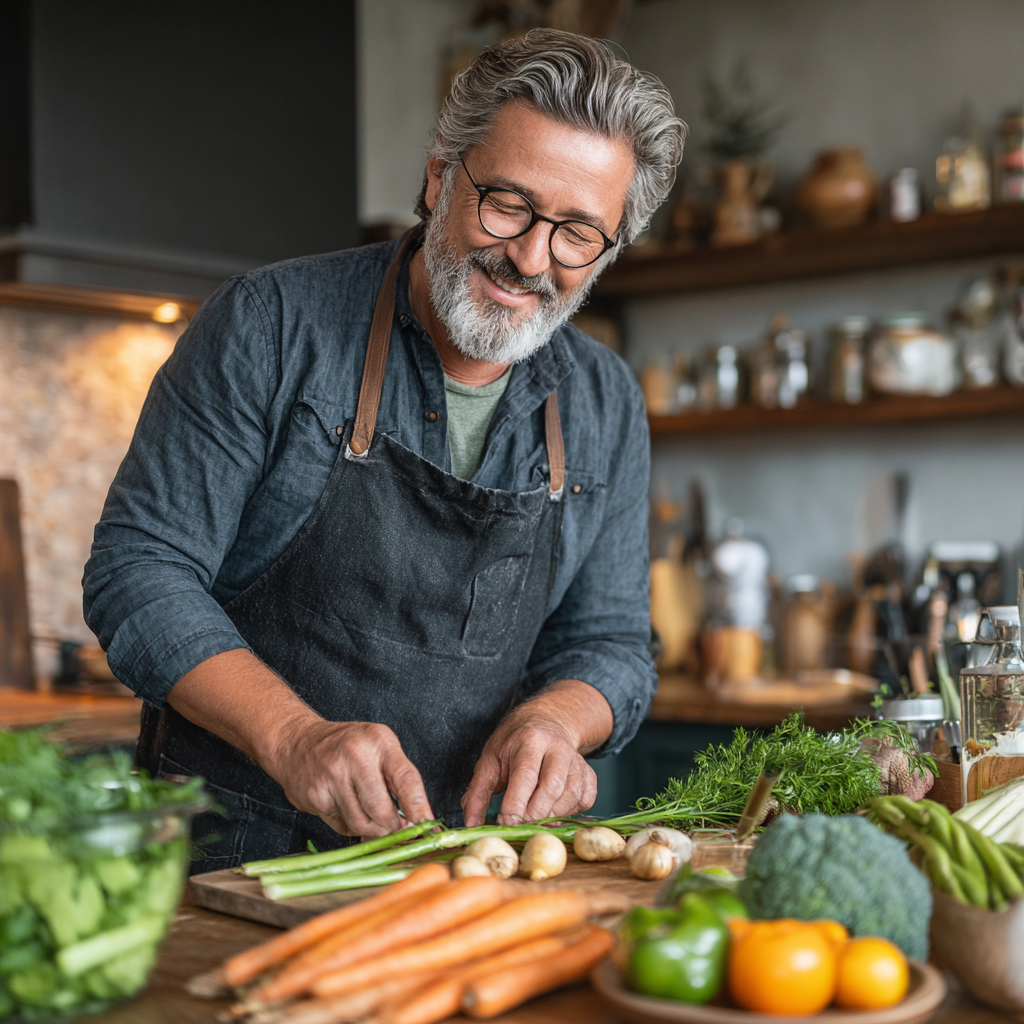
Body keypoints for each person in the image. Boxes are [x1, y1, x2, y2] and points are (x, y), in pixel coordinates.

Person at [83, 28, 686, 872]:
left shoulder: (605, 400)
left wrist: (557, 720)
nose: (530, 257)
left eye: (578, 233)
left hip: (470, 868)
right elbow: (138, 572)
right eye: (507, 204)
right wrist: (294, 738)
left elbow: (612, 643)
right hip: (231, 856)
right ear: (440, 178)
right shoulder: (272, 324)